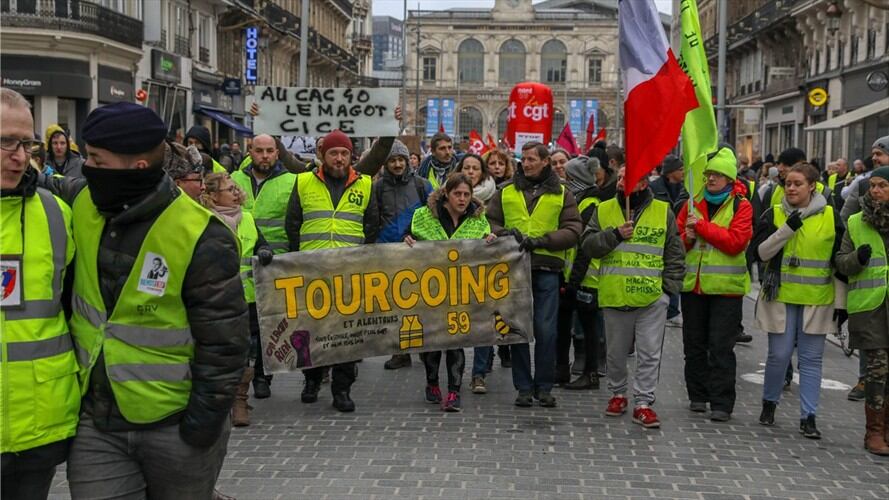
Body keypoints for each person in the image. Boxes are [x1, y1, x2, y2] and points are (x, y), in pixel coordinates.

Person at [41, 102, 248, 498]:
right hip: (97, 424)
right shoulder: (83, 201)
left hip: (175, 426)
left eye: (97, 159)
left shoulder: (202, 235)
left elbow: (225, 343)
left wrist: (201, 425)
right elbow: (40, 184)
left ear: (136, 167)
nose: (87, 167)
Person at [0, 88, 79, 500]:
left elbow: (76, 308)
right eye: (5, 142)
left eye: (26, 143)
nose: (19, 156)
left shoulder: (55, 213)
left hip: (39, 422)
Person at [581, 166, 686, 428]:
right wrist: (615, 235)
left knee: (649, 353)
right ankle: (618, 393)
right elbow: (588, 246)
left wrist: (668, 290)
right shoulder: (603, 209)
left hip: (652, 297)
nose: (620, 182)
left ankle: (643, 402)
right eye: (619, 177)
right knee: (616, 353)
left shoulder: (662, 211)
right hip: (615, 295)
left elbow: (674, 251)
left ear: (643, 183)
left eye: (627, 178)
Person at [284, 129, 380, 412]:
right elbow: (293, 223)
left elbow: (371, 225)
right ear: (322, 155)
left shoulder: (365, 184)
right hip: (312, 271)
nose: (339, 159)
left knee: (347, 333)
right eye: (333, 153)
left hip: (349, 272)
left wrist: (360, 259)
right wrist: (299, 258)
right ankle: (312, 380)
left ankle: (342, 389)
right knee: (311, 330)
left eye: (344, 154)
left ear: (351, 156)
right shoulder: (303, 181)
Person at [486, 142, 583, 408]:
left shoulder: (563, 193)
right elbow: (489, 222)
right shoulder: (505, 190)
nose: (525, 164)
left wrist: (542, 241)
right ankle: (524, 388)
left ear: (545, 162)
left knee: (546, 330)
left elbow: (573, 229)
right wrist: (505, 234)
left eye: (531, 159)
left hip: (547, 269)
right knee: (517, 330)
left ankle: (544, 386)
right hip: (513, 268)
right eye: (524, 159)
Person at [752, 163, 843, 439]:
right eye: (787, 183)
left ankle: (808, 417)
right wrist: (786, 230)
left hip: (816, 300)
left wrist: (842, 305)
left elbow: (838, 261)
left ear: (812, 187)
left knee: (811, 360)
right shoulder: (774, 213)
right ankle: (769, 403)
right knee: (779, 356)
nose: (791, 188)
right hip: (779, 297)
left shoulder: (831, 216)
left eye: (797, 184)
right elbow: (761, 253)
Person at [405, 173, 496, 411]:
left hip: (461, 290)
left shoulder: (479, 220)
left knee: (456, 341)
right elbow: (406, 237)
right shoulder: (423, 216)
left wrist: (491, 241)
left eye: (467, 194)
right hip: (430, 289)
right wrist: (407, 240)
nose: (462, 199)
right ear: (446, 194)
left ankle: (454, 392)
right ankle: (432, 383)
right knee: (434, 340)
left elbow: (486, 247)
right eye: (457, 194)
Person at [676, 147, 753, 422]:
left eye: (717, 175)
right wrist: (686, 237)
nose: (710, 179)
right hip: (693, 288)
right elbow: (677, 244)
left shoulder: (741, 206)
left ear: (730, 179)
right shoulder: (692, 204)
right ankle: (697, 396)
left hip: (726, 290)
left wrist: (701, 227)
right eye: (709, 174)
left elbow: (735, 243)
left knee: (721, 348)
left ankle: (721, 403)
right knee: (693, 346)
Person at [201, 173, 274, 427]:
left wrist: (265, 251)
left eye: (236, 189)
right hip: (216, 299)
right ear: (212, 196)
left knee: (248, 350)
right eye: (229, 189)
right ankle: (219, 399)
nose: (235, 193)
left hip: (247, 299)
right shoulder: (204, 220)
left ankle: (240, 401)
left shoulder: (248, 219)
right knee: (220, 351)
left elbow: (262, 245)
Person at [835, 165, 889, 455]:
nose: (876, 191)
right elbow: (841, 262)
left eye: (883, 186)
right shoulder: (857, 221)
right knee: (877, 373)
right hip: (870, 311)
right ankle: (874, 433)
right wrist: (857, 258)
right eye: (873, 185)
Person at [373, 139, 433, 370]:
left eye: (401, 160)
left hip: (418, 253)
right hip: (389, 254)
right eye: (392, 160)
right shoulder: (378, 188)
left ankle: (427, 349)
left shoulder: (422, 185)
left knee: (422, 302)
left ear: (408, 161)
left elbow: (434, 216)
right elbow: (373, 218)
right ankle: (400, 351)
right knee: (396, 304)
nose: (397, 164)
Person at [558, 155, 607, 390]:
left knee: (589, 330)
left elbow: (585, 249)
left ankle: (591, 373)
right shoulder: (577, 200)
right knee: (564, 326)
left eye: (568, 177)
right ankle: (561, 370)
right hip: (573, 276)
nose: (564, 181)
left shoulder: (590, 205)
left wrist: (574, 282)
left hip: (587, 278)